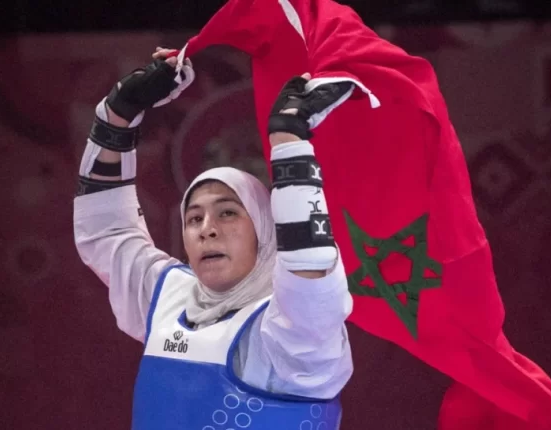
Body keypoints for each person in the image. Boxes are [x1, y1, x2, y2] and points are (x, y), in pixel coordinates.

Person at [73, 49, 357, 429]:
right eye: (194, 218)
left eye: (227, 213)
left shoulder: (288, 334)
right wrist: (116, 117)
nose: (207, 228)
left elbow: (311, 280)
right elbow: (107, 230)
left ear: (264, 230)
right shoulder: (168, 297)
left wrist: (290, 142)